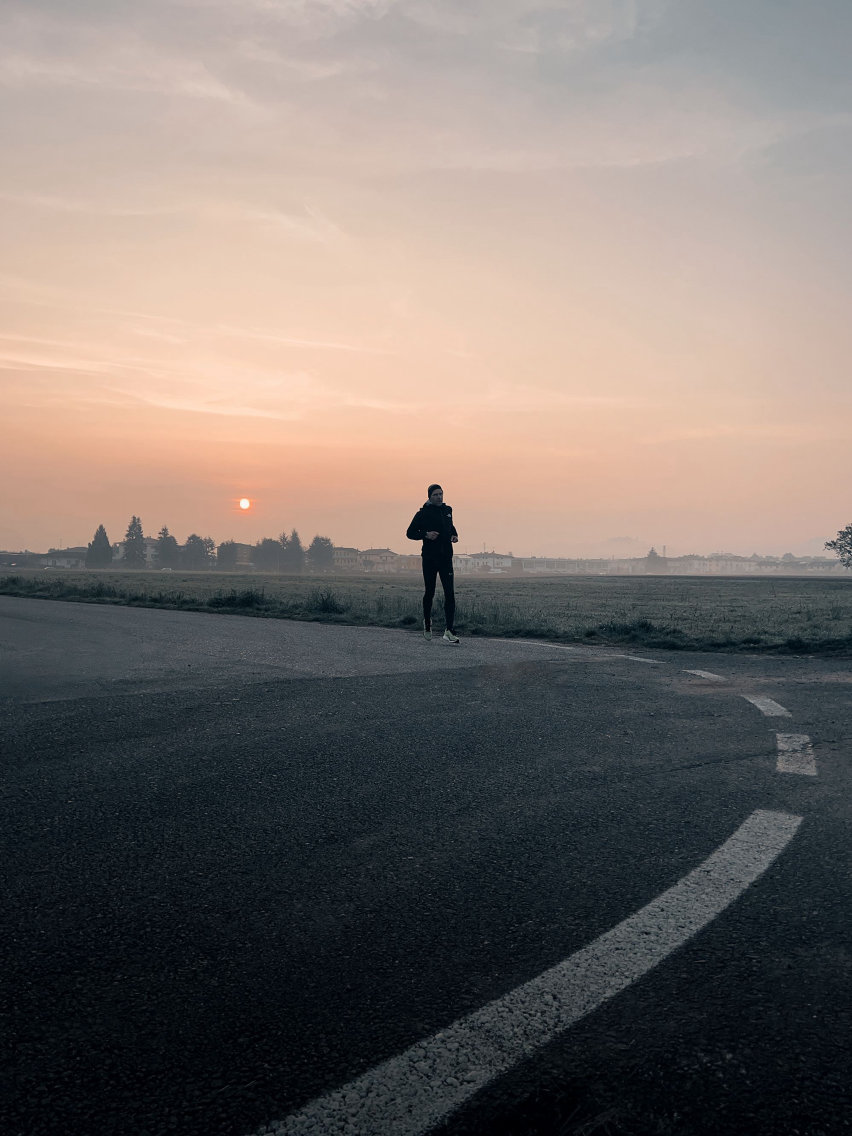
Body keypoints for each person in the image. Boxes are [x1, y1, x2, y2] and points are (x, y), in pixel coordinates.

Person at [406, 484, 460, 643]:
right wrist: (426, 534)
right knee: (429, 591)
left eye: (441, 494)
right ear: (429, 496)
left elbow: (450, 527)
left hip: (446, 558)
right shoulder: (422, 514)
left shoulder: (448, 510)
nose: (439, 497)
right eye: (436, 494)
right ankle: (427, 622)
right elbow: (410, 533)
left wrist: (454, 535)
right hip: (430, 558)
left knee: (449, 594)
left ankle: (449, 630)